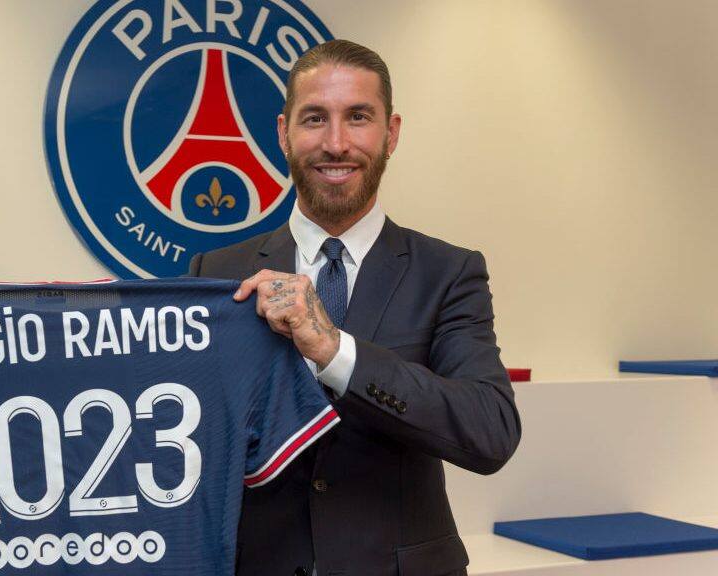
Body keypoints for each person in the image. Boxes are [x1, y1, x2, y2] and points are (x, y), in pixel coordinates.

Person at [188, 39, 521, 576]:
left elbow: (490, 431)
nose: (336, 143)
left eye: (358, 117)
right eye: (315, 118)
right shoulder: (215, 273)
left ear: (391, 133)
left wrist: (334, 350)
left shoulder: (449, 273)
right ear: (284, 133)